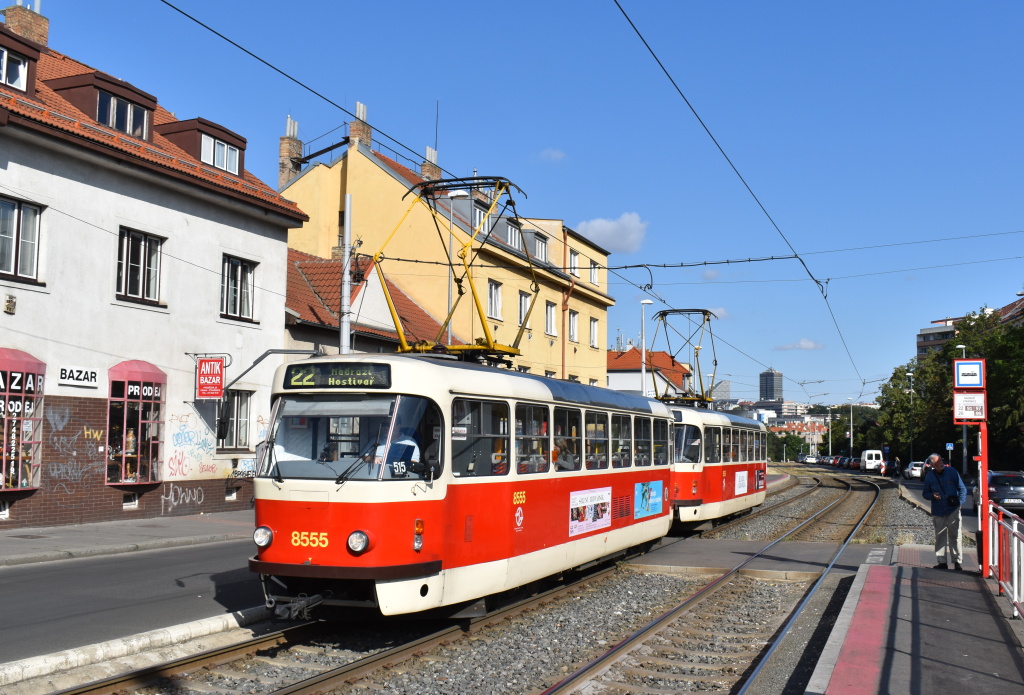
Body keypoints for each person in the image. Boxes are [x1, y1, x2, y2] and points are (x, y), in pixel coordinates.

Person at [921, 453, 967, 570]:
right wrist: (932, 495)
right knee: (940, 536)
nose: (940, 463)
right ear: (932, 465)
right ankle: (942, 562)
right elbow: (925, 493)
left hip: (953, 509)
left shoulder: (952, 472)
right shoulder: (929, 476)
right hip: (938, 510)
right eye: (937, 462)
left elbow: (962, 489)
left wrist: (960, 503)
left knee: (955, 535)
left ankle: (957, 561)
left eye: (941, 460)